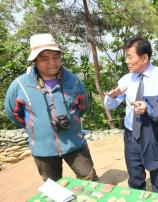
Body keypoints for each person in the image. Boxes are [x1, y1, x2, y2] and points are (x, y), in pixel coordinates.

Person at [5, 33, 98, 182]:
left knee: (90, 180)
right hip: (43, 149)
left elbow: (82, 106)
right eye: (44, 58)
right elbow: (12, 113)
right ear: (34, 60)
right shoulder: (20, 85)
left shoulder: (73, 82)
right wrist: (32, 126)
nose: (52, 63)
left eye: (56, 57)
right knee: (53, 189)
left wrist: (73, 119)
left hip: (75, 143)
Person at [104, 36, 158, 194]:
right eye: (126, 57)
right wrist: (111, 96)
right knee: (135, 180)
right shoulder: (126, 79)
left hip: (155, 135)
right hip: (132, 136)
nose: (126, 61)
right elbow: (110, 106)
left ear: (144, 57)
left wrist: (149, 107)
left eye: (130, 57)